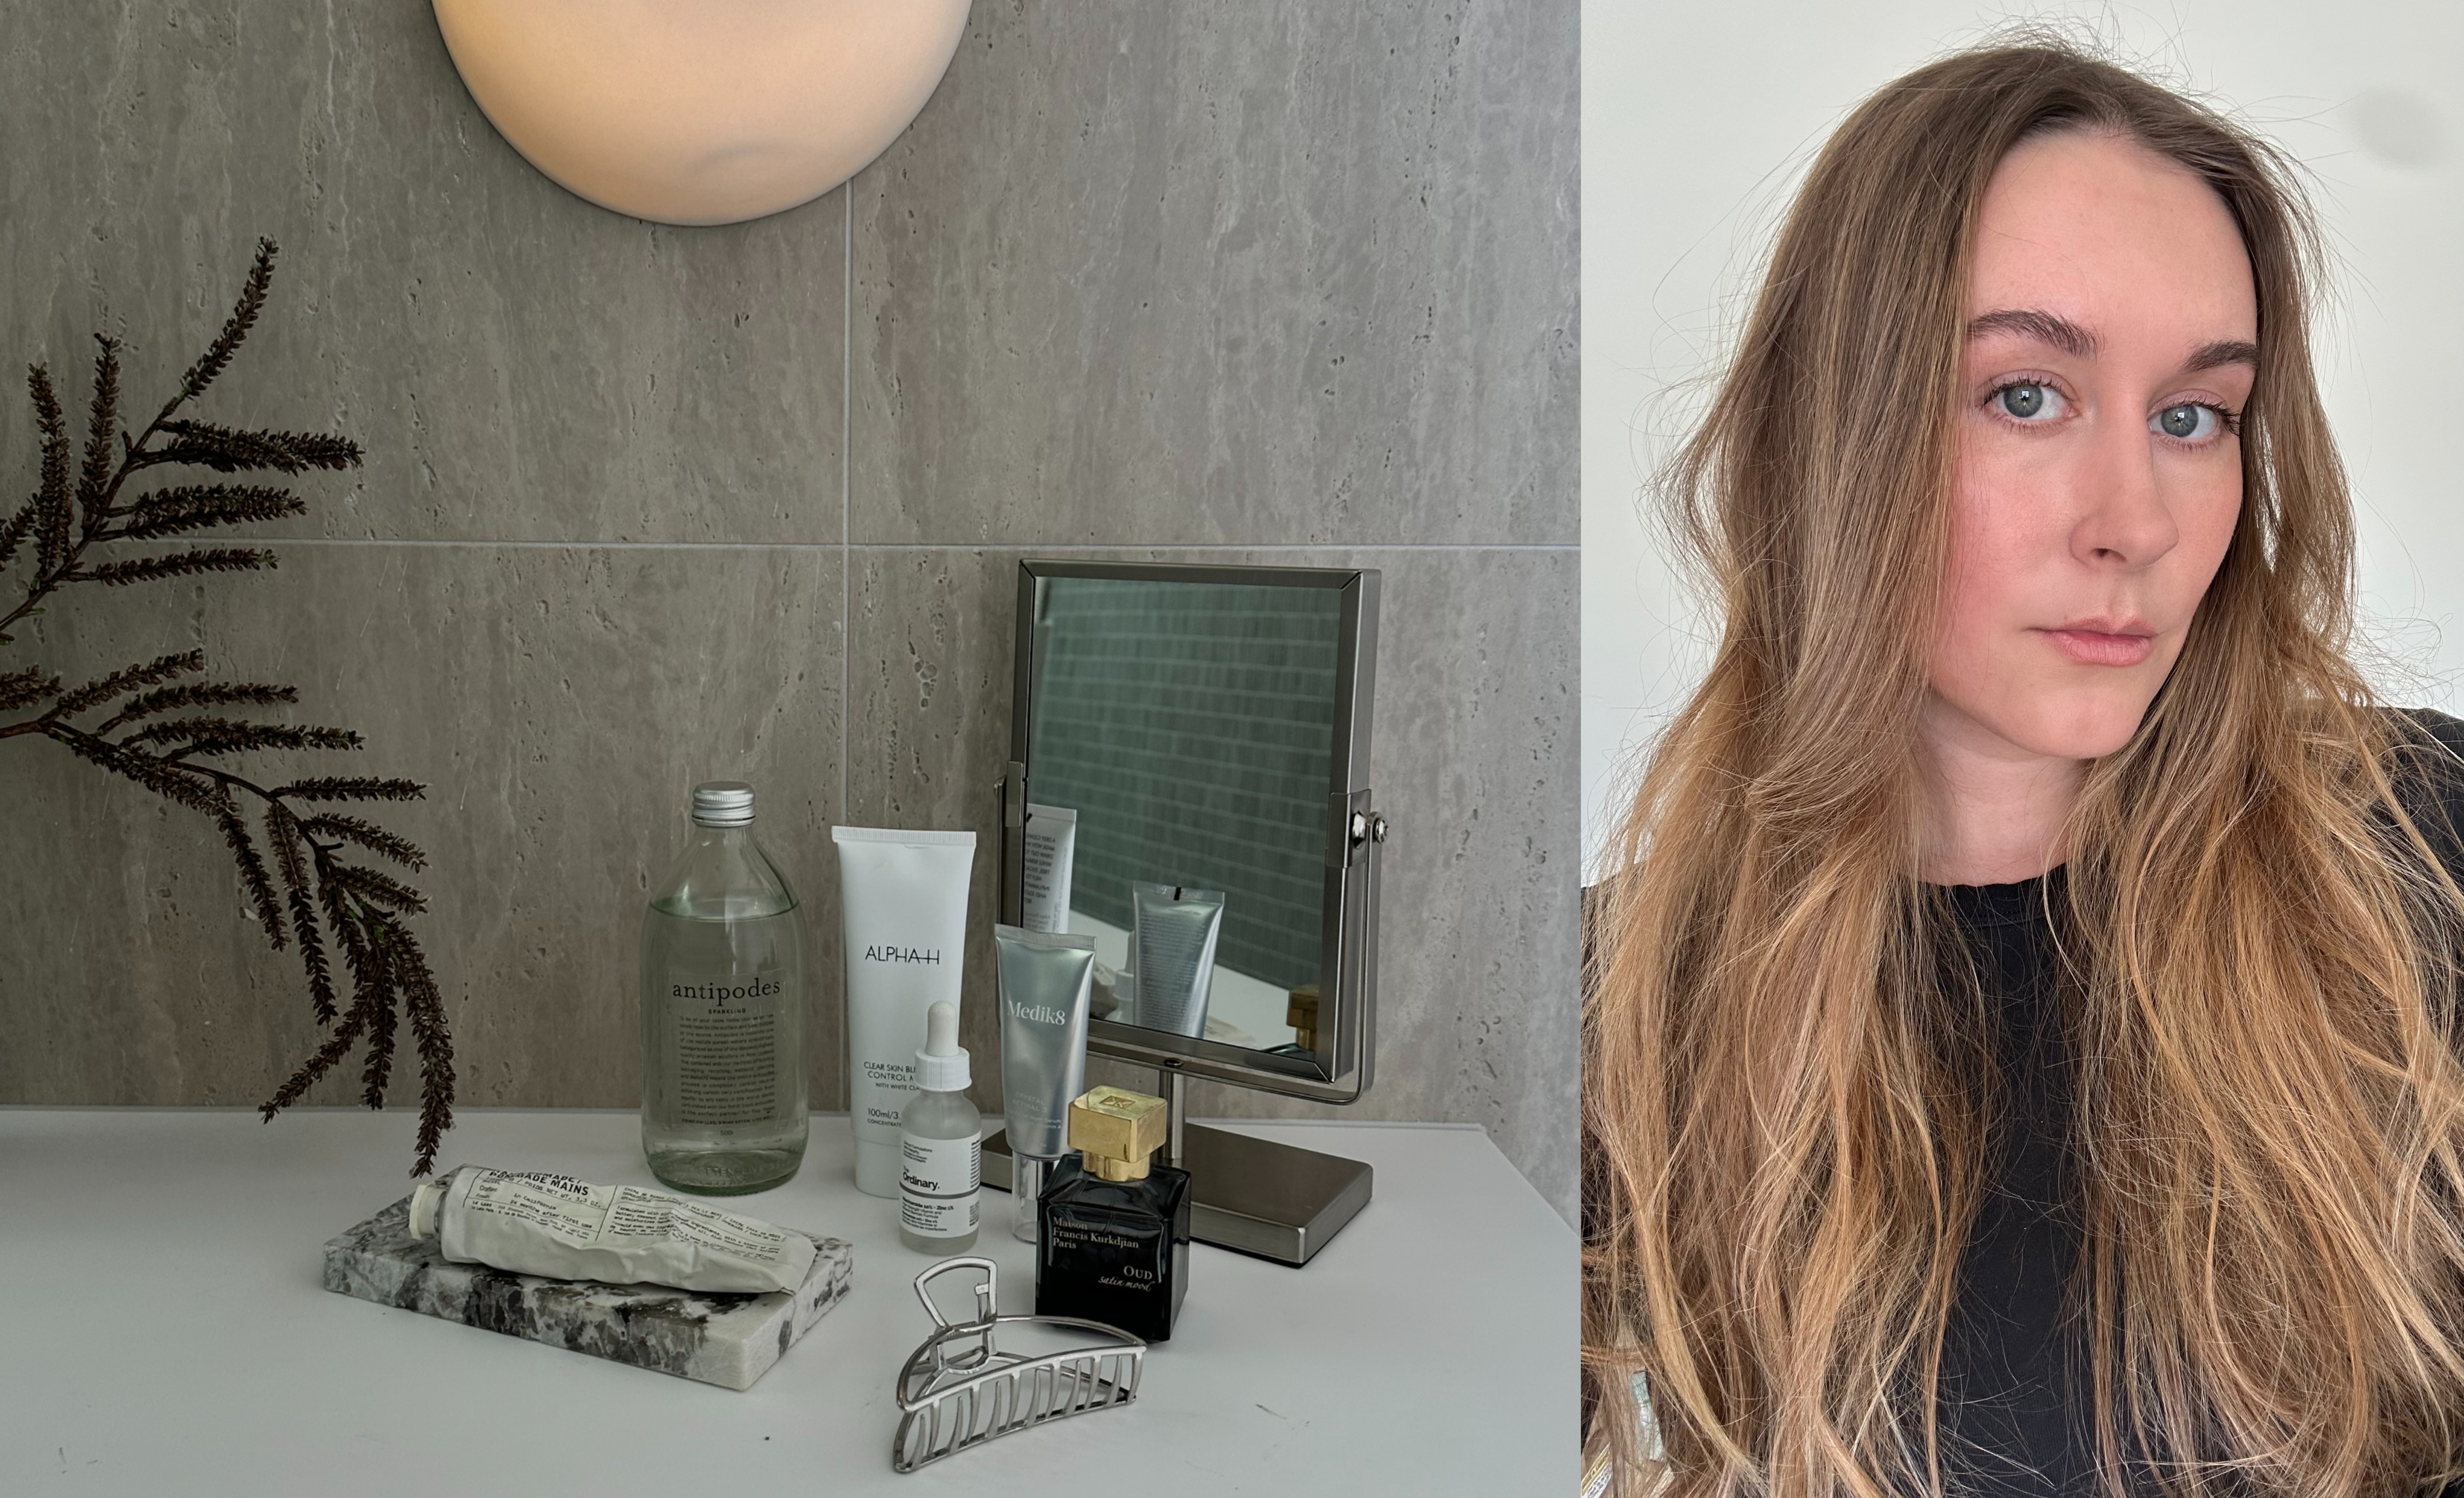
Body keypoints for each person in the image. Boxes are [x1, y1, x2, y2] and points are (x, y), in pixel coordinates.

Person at [1582, 39, 2464, 1498]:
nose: (2134, 522)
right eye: (2027, 395)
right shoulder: (1639, 997)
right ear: (1839, 434)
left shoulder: (2423, 855)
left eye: (2195, 417)